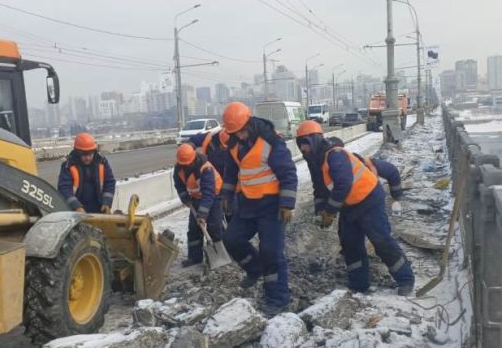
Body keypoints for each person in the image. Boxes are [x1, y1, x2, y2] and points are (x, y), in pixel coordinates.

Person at [295, 121, 414, 296]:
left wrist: (330, 211)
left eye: (304, 143)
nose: (302, 148)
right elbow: (319, 189)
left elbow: (343, 185)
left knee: (381, 241)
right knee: (350, 243)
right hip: (349, 207)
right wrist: (321, 210)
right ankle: (359, 284)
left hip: (369, 201)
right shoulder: (314, 162)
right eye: (300, 144)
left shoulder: (335, 155)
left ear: (314, 140)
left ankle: (405, 280)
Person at [221, 101, 298, 314]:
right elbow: (230, 173)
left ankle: (278, 299)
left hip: (271, 206)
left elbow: (288, 174)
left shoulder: (272, 143)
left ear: (250, 123)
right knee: (231, 239)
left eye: (242, 131)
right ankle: (255, 270)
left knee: (271, 251)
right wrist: (226, 195)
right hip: (247, 205)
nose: (240, 136)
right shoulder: (234, 144)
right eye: (235, 133)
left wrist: (287, 204)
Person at [173, 144, 224, 267]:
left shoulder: (205, 168)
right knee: (194, 229)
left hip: (214, 196)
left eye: (187, 164)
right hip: (196, 198)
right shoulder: (178, 167)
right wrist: (185, 197)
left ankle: (220, 256)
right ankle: (195, 258)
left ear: (193, 158)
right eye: (182, 164)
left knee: (214, 227)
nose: (185, 166)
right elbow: (179, 184)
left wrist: (202, 214)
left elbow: (208, 193)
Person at [327, 136, 403, 201]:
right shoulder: (342, 164)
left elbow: (393, 171)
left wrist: (396, 195)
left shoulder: (374, 165)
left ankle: (397, 196)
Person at [58, 132, 116, 214]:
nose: (88, 158)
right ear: (77, 152)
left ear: (94, 151)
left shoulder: (102, 163)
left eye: (90, 154)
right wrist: (76, 206)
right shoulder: (68, 166)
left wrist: (107, 203)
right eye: (84, 155)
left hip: (99, 208)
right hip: (76, 211)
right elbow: (64, 188)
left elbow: (109, 182)